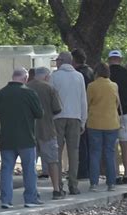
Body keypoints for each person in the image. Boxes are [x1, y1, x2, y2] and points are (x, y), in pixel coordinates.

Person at [0, 68, 43, 208]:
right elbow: (39, 113)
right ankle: (30, 198)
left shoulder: (2, 93)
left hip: (7, 137)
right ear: (25, 79)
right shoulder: (29, 93)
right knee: (29, 169)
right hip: (26, 137)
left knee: (6, 170)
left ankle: (5, 199)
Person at [50, 51, 87, 195]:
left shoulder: (55, 76)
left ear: (62, 61)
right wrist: (83, 120)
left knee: (57, 152)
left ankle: (58, 184)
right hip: (75, 117)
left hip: (58, 117)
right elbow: (83, 100)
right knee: (74, 152)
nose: (57, 62)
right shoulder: (79, 77)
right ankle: (73, 184)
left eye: (58, 60)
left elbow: (51, 98)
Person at [27, 67, 65, 199]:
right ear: (46, 76)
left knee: (30, 162)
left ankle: (32, 190)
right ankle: (56, 189)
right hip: (47, 129)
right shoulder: (49, 88)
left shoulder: (26, 88)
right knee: (52, 161)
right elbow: (57, 109)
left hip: (29, 130)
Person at [86, 63, 120, 191]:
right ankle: (111, 183)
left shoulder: (92, 86)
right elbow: (116, 103)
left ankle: (94, 183)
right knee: (109, 153)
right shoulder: (114, 85)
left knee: (95, 153)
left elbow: (88, 102)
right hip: (112, 123)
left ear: (96, 73)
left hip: (95, 122)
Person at [108, 50, 127, 185]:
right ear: (121, 59)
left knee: (112, 145)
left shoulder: (106, 74)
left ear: (109, 59)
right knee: (126, 144)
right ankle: (126, 174)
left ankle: (115, 175)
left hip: (110, 113)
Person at [71, 48, 95, 180]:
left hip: (81, 111)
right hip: (90, 110)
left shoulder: (78, 74)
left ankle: (82, 171)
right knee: (87, 142)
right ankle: (89, 170)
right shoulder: (90, 71)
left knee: (81, 143)